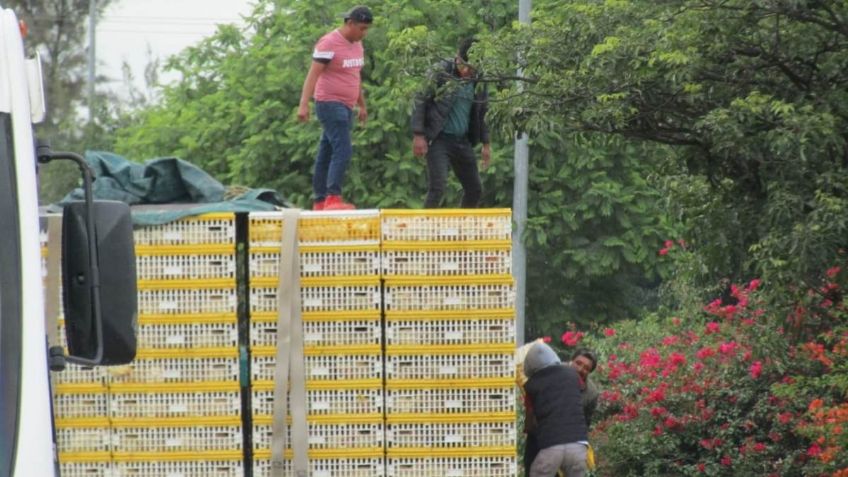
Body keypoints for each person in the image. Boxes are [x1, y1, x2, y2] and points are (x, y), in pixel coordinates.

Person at [298, 5, 373, 211]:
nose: (364, 33)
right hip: (329, 103)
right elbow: (313, 74)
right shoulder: (329, 42)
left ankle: (319, 200)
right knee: (343, 149)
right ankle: (333, 197)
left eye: (367, 29)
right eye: (362, 28)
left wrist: (362, 105)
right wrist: (304, 104)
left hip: (347, 105)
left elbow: (355, 76)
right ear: (350, 23)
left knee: (326, 150)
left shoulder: (358, 45)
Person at [411, 37, 491, 208]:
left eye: (471, 70)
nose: (466, 73)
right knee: (438, 187)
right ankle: (424, 230)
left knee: (474, 188)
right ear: (457, 57)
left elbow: (482, 110)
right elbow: (420, 99)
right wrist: (418, 134)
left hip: (462, 140)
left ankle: (464, 228)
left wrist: (486, 143)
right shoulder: (441, 71)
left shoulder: (479, 80)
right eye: (464, 66)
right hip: (439, 137)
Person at [523, 342, 589, 477]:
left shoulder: (530, 385)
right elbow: (581, 390)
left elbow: (530, 425)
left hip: (551, 446)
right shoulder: (572, 374)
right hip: (578, 445)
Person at [570, 348, 600, 427]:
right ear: (571, 361)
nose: (580, 369)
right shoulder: (555, 372)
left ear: (590, 372)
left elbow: (584, 423)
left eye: (586, 368)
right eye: (578, 363)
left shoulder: (591, 393)